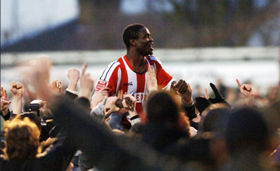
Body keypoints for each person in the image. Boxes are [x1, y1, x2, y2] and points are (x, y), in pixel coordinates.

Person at [91, 23, 194, 130]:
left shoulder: (154, 63)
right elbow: (97, 103)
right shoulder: (116, 68)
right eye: (146, 37)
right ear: (133, 42)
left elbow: (170, 87)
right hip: (122, 131)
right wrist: (120, 103)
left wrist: (180, 87)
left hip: (149, 128)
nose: (151, 40)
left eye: (149, 36)